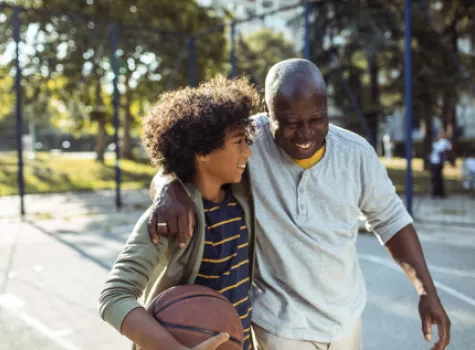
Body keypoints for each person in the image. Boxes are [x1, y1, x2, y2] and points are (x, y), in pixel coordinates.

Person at [148, 59, 451, 350]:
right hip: (281, 326)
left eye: (317, 118)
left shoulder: (356, 154)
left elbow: (391, 219)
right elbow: (182, 163)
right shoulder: (246, 144)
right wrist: (168, 187)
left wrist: (427, 291)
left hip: (346, 318)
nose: (306, 133)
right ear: (267, 111)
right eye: (291, 122)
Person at [98, 77, 260, 350]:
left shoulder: (242, 195)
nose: (249, 151)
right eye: (238, 141)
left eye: (248, 139)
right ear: (202, 151)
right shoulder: (170, 217)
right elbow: (114, 296)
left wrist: (165, 182)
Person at [429, 129, 453, 199]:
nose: (438, 135)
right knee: (435, 179)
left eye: (440, 134)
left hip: (438, 163)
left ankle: (438, 194)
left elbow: (442, 148)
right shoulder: (438, 141)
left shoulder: (443, 142)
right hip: (434, 162)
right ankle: (437, 193)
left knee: (437, 179)